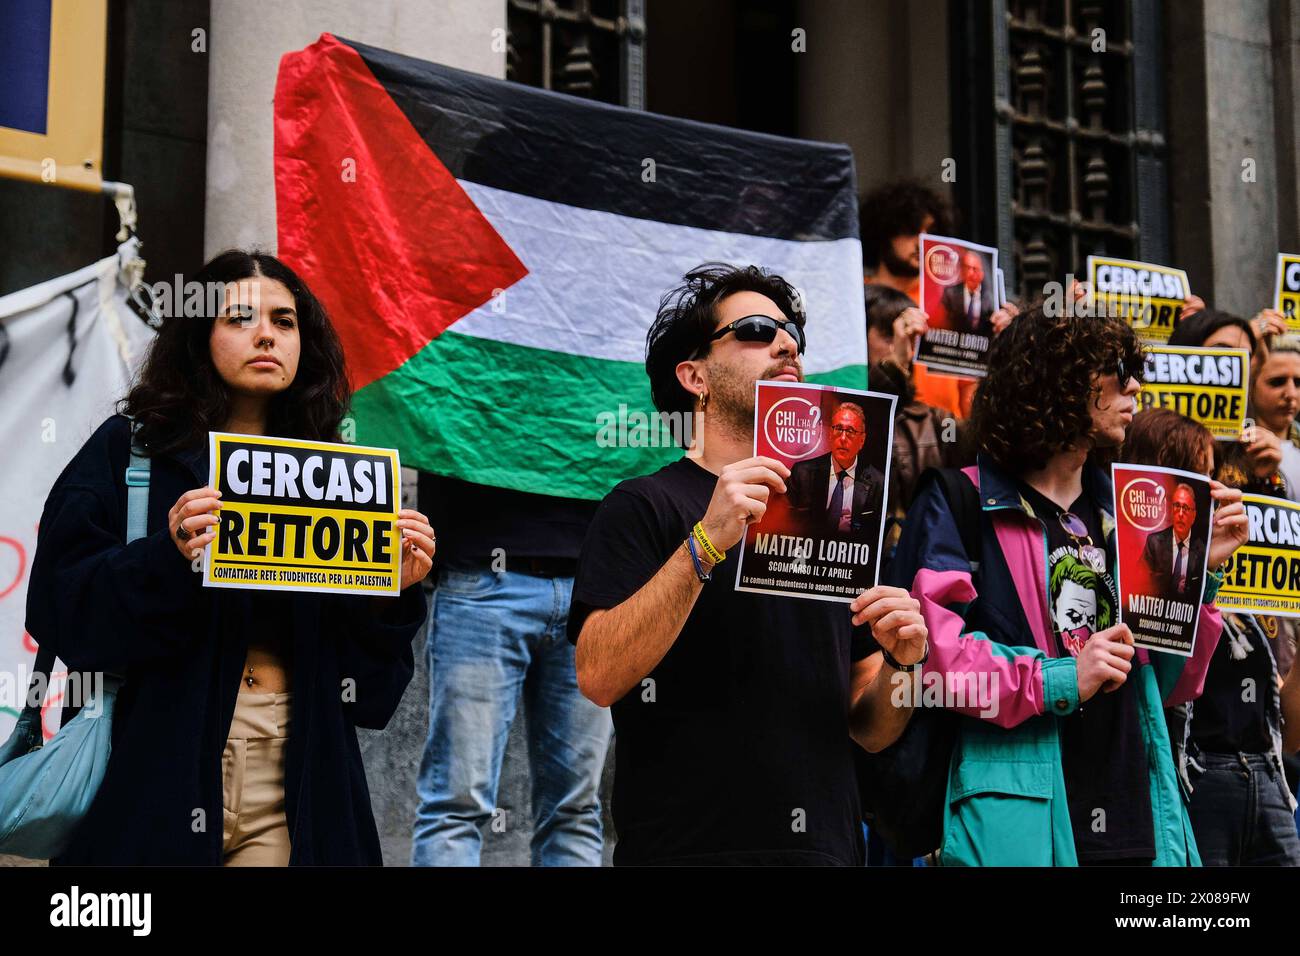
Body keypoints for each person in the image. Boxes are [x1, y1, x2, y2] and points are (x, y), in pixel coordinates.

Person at [24, 250, 434, 865]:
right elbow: (60, 614)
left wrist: (395, 591)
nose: (266, 334)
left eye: (285, 321)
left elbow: (371, 695)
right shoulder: (132, 452)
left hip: (294, 779)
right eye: (239, 317)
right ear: (198, 335)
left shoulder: (340, 477)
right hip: (154, 773)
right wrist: (167, 557)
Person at [568, 263, 928, 866]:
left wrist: (904, 663)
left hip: (825, 852)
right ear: (694, 376)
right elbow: (598, 674)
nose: (786, 344)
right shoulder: (643, 505)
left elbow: (869, 726)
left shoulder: (839, 512)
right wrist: (706, 542)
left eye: (793, 334)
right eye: (758, 330)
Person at [887, 304, 1225, 865]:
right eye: (1118, 369)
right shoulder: (959, 499)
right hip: (1023, 822)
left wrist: (1199, 578)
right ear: (1059, 381)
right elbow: (934, 665)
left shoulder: (1129, 509)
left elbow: (1169, 684)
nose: (1134, 385)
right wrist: (1061, 678)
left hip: (1137, 815)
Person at [1121, 408, 1296, 865]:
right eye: (1195, 479)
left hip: (1267, 780)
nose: (1210, 492)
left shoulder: (1234, 593)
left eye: (1210, 476)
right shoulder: (1132, 569)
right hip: (1196, 781)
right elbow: (1165, 685)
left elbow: (1287, 731)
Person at [786, 402, 884, 538]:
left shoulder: (878, 482)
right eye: (838, 429)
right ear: (830, 435)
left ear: (862, 440)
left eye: (850, 431)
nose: (843, 438)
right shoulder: (802, 473)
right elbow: (784, 524)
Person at [1249, 334, 1300, 499]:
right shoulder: (1231, 453)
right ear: (1250, 386)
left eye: (1298, 383)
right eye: (1277, 382)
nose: (1291, 394)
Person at [1139, 483, 1207, 602]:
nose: (1180, 514)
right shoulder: (1154, 542)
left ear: (1194, 516)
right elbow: (1138, 582)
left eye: (1185, 508)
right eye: (1177, 506)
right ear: (1171, 510)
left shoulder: (1202, 549)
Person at [938, 251, 995, 335]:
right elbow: (941, 322)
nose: (970, 273)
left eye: (975, 269)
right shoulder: (950, 294)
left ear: (982, 274)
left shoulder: (991, 298)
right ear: (961, 271)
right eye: (967, 268)